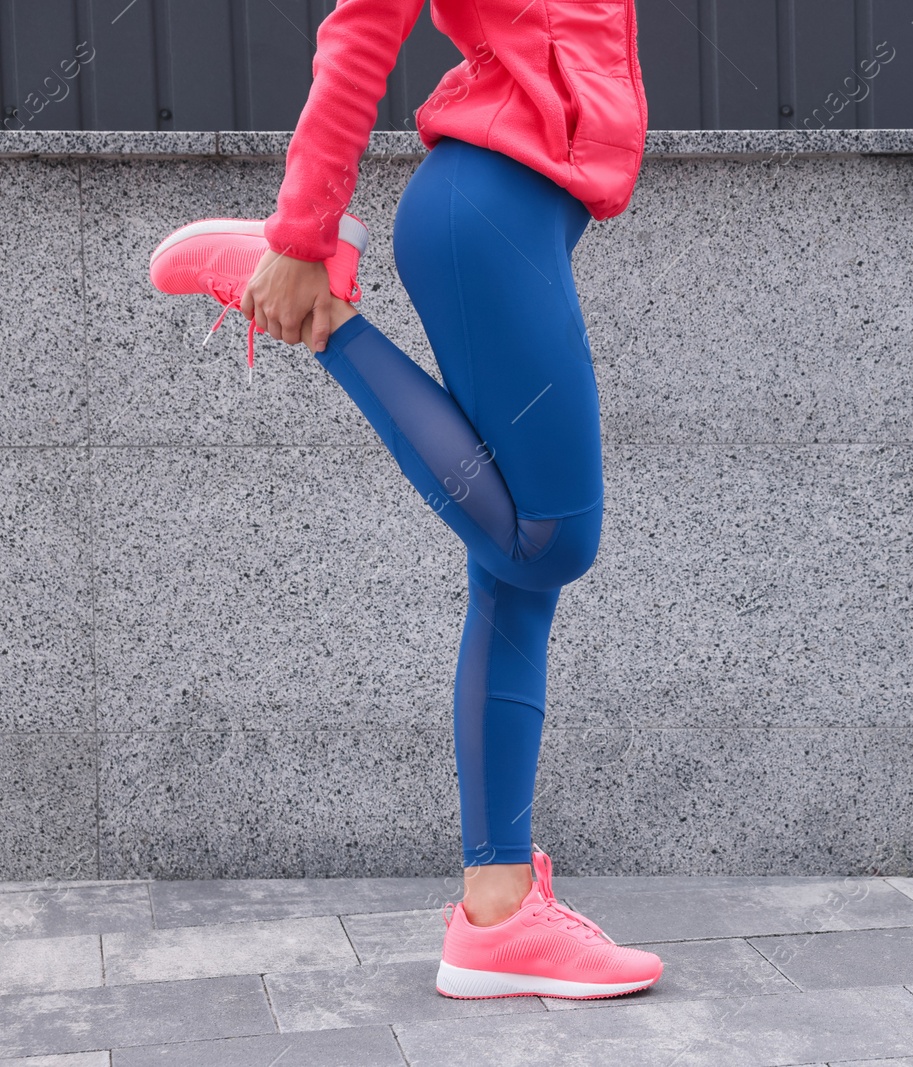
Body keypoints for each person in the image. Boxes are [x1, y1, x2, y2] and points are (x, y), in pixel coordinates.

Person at [146, 0, 661, 1001]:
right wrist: (302, 232)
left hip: (514, 209)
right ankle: (318, 313)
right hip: (490, 209)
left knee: (513, 579)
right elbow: (362, 26)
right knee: (550, 540)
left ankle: (498, 917)